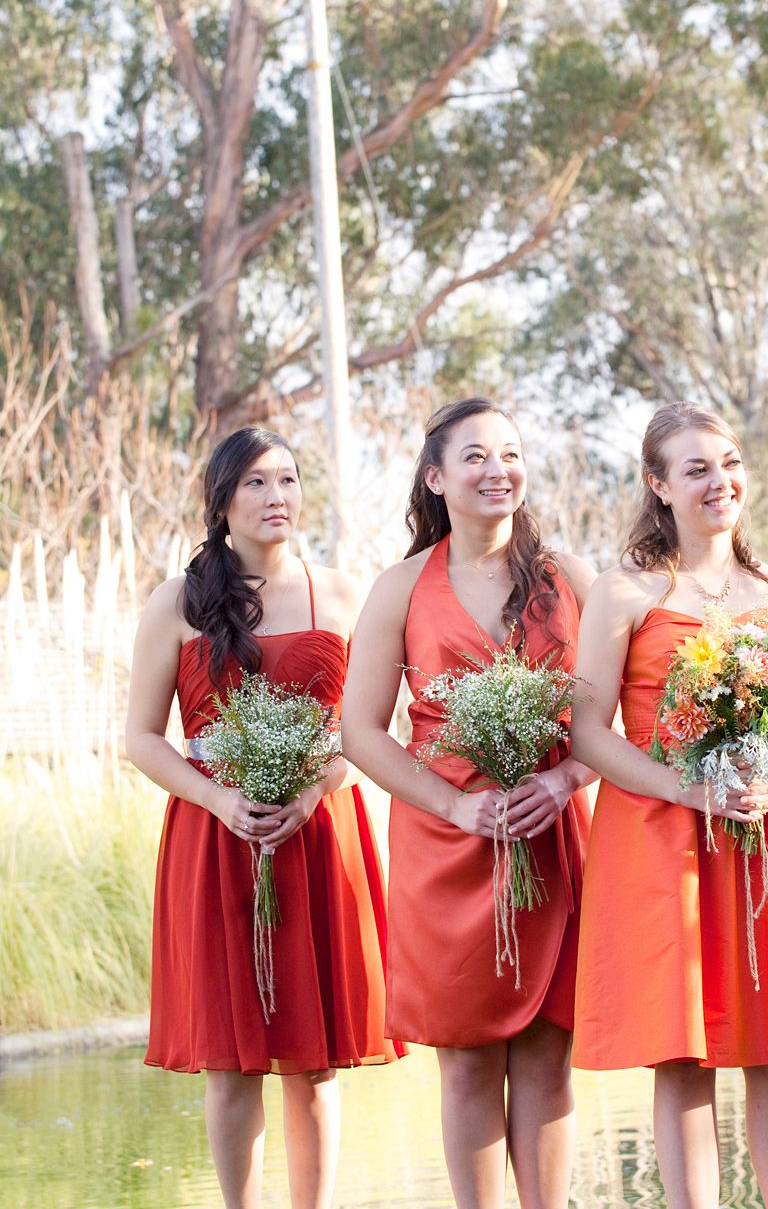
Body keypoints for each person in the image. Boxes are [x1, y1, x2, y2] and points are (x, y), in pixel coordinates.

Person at [569, 401, 768, 1209]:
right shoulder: (624, 592)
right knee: (681, 1053)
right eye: (697, 468)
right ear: (658, 485)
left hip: (766, 831)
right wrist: (685, 787)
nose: (720, 481)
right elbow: (587, 735)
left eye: (730, 462)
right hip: (659, 839)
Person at [126, 426, 403, 1209]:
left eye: (287, 479)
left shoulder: (345, 594)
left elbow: (371, 733)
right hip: (215, 840)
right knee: (233, 1058)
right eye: (255, 483)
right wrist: (218, 799)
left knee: (314, 1061)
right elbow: (141, 739)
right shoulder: (176, 603)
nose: (276, 496)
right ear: (220, 502)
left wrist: (316, 790)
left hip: (319, 835)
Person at [342, 396, 595, 1209]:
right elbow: (360, 732)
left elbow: (616, 721)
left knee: (548, 1054)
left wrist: (562, 781)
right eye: (477, 455)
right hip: (444, 847)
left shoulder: (569, 581)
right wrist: (453, 809)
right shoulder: (399, 588)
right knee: (468, 1060)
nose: (499, 470)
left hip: (549, 839)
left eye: (512, 453)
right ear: (436, 476)